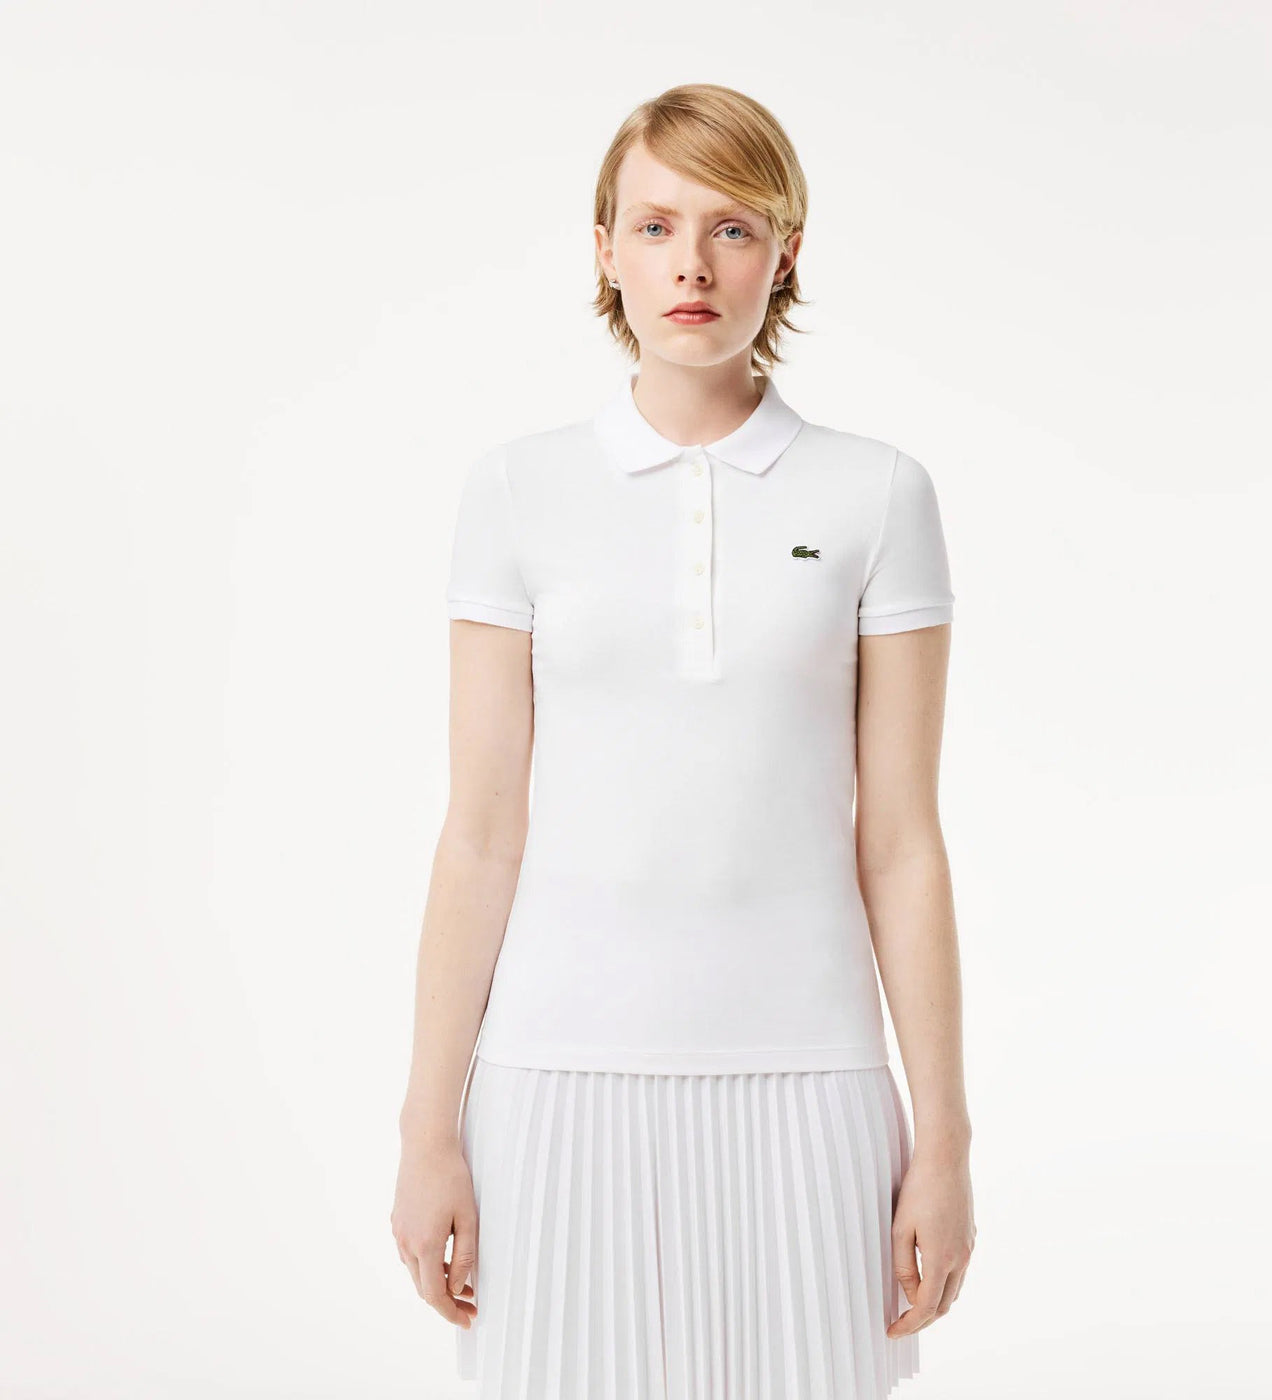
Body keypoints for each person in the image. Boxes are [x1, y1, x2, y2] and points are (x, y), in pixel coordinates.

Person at [391, 82, 975, 1400]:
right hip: (553, 1083)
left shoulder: (880, 494)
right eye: (655, 227)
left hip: (812, 1082)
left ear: (786, 251)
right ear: (605, 250)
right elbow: (479, 835)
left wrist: (943, 1141)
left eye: (732, 227)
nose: (692, 265)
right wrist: (429, 1128)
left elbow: (902, 844)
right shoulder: (517, 490)